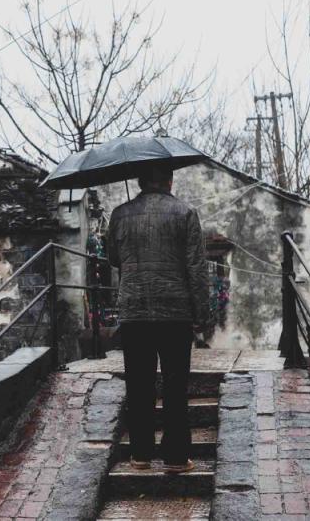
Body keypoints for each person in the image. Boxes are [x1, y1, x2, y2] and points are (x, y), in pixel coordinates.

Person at [105, 165, 210, 474]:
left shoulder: (120, 214)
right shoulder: (186, 213)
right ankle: (176, 457)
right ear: (169, 180)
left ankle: (140, 454)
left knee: (139, 385)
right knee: (176, 385)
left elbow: (113, 258)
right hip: (175, 313)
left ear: (140, 181)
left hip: (134, 311)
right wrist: (202, 313)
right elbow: (196, 267)